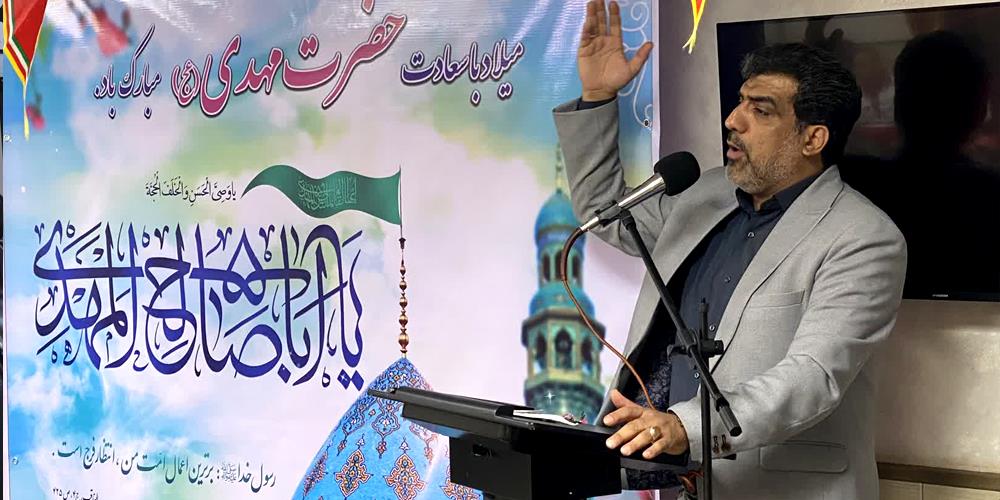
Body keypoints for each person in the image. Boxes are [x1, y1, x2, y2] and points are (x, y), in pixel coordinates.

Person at [552, 1, 907, 498]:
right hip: (687, 484)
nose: (733, 120)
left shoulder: (864, 238)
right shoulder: (706, 193)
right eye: (740, 102)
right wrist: (597, 97)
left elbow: (814, 376)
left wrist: (687, 426)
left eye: (760, 110)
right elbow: (608, 213)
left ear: (813, 138)